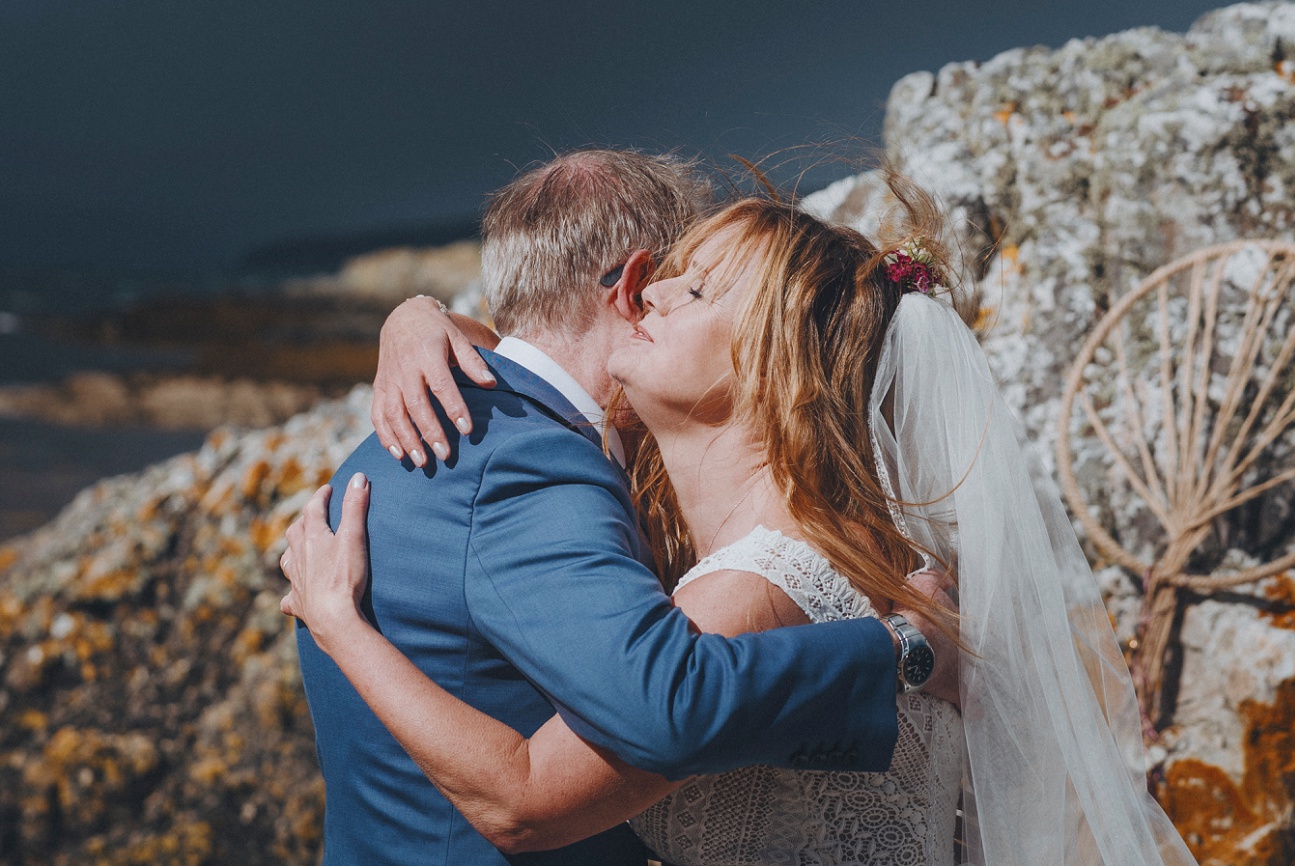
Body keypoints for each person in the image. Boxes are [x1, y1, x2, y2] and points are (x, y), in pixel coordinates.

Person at [284, 176, 1200, 864]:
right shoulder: (756, 547)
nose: (650, 296)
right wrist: (421, 316)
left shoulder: (747, 594)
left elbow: (524, 797)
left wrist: (340, 625)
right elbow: (544, 374)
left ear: (769, 370)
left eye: (697, 289)